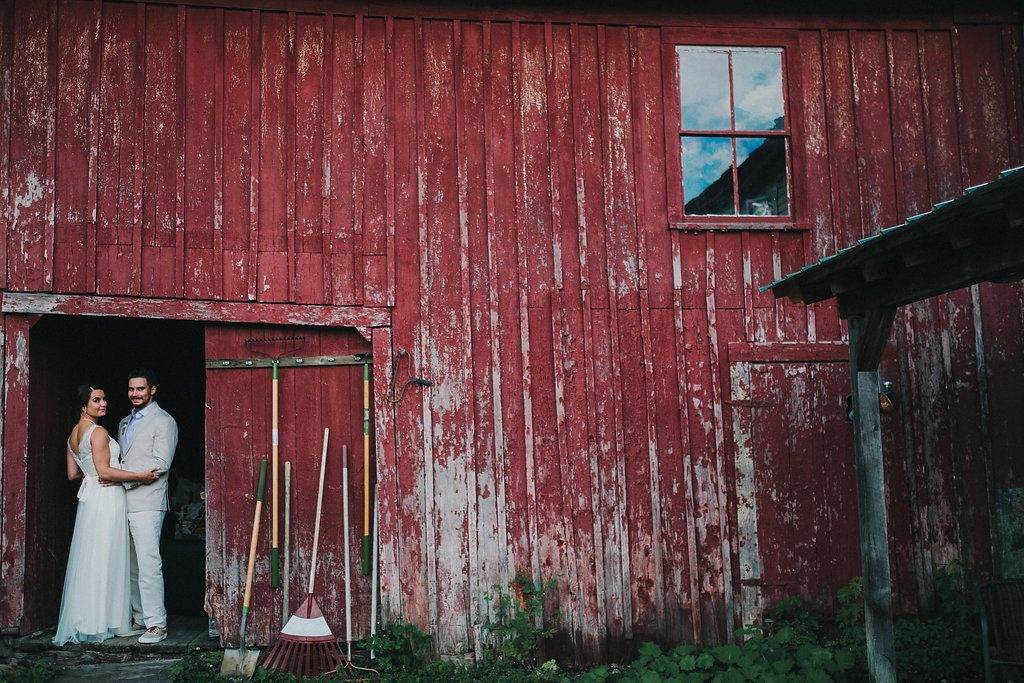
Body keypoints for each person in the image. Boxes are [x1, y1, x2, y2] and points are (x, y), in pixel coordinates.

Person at [53, 385, 159, 646]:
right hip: (106, 497)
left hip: (90, 498)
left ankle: (89, 619)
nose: (103, 404)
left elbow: (72, 474)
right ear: (83, 406)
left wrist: (94, 473)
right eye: (96, 400)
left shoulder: (72, 435)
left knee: (92, 556)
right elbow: (105, 472)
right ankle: (106, 621)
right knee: (108, 555)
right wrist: (140, 476)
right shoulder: (98, 432)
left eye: (104, 398)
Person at [116, 369, 178, 644]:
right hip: (121, 502)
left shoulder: (164, 421)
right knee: (129, 564)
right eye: (131, 389)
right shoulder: (123, 422)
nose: (135, 394)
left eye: (140, 389)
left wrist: (121, 478)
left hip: (148, 501)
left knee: (148, 562)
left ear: (152, 390)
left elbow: (161, 463)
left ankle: (156, 624)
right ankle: (139, 616)